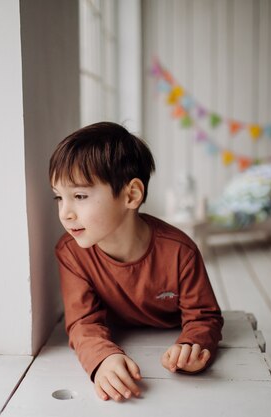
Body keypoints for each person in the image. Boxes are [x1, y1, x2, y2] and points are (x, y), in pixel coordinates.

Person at [49, 121, 223, 402]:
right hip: (120, 341)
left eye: (79, 196)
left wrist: (193, 345)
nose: (65, 213)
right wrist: (103, 358)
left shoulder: (180, 252)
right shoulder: (71, 252)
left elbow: (204, 317)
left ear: (131, 195)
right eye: (59, 197)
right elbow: (83, 322)